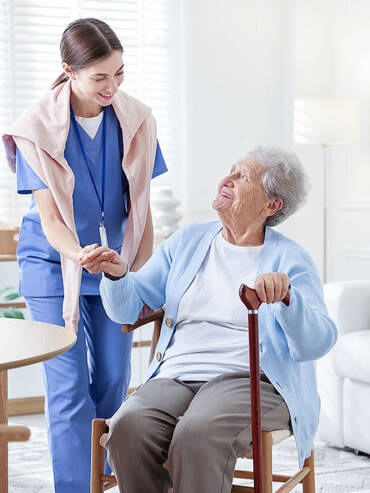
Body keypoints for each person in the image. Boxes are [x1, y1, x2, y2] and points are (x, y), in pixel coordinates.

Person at [85, 144, 338, 493]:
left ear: (271, 205)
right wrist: (116, 275)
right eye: (231, 170)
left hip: (252, 381)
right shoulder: (188, 241)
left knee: (197, 435)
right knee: (127, 428)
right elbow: (129, 307)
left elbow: (318, 342)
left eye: (243, 176)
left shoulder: (290, 259)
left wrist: (288, 298)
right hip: (176, 376)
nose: (228, 179)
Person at [2, 18, 167, 493]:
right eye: (100, 77)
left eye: (119, 73)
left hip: (114, 264)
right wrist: (80, 253)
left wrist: (133, 277)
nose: (112, 86)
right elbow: (52, 221)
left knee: (116, 378)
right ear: (69, 72)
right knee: (68, 383)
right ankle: (76, 486)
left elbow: (143, 213)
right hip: (53, 264)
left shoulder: (137, 120)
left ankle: (101, 471)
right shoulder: (36, 128)